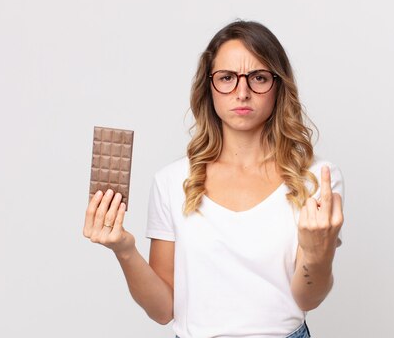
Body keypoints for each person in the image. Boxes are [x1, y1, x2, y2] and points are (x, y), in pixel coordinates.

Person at [83, 20, 345, 338]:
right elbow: (163, 311)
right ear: (209, 86)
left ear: (278, 86)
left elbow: (309, 298)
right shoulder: (172, 181)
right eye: (227, 78)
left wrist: (318, 253)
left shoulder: (316, 178)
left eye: (259, 78)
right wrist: (124, 250)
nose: (243, 92)